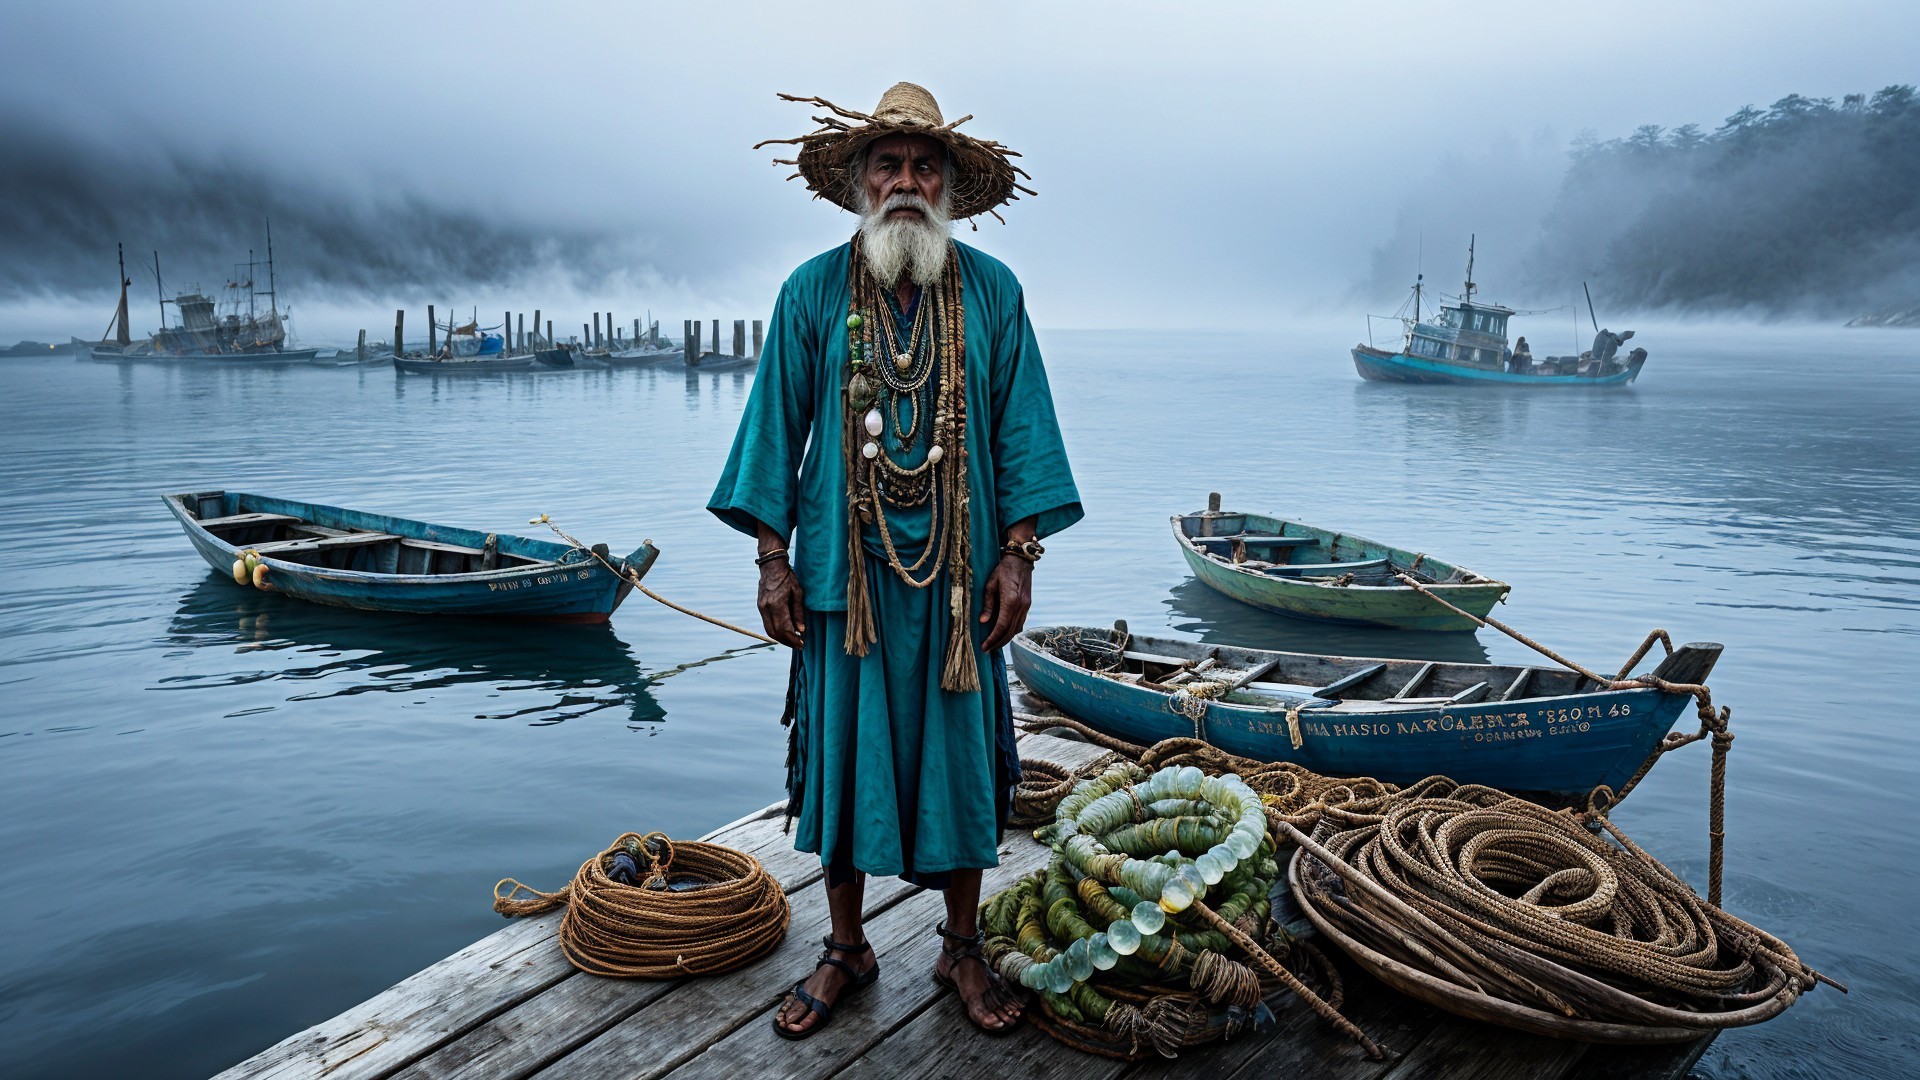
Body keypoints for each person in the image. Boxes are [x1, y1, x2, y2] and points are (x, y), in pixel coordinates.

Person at [709, 82, 1081, 1041]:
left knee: (960, 765)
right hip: (845, 582)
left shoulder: (994, 292)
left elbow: (1023, 428)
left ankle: (960, 945)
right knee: (840, 762)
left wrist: (1020, 556)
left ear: (949, 187)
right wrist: (771, 561)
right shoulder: (811, 292)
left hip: (962, 590)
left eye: (924, 167)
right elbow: (772, 434)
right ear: (862, 183)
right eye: (889, 165)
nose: (906, 182)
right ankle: (847, 947)